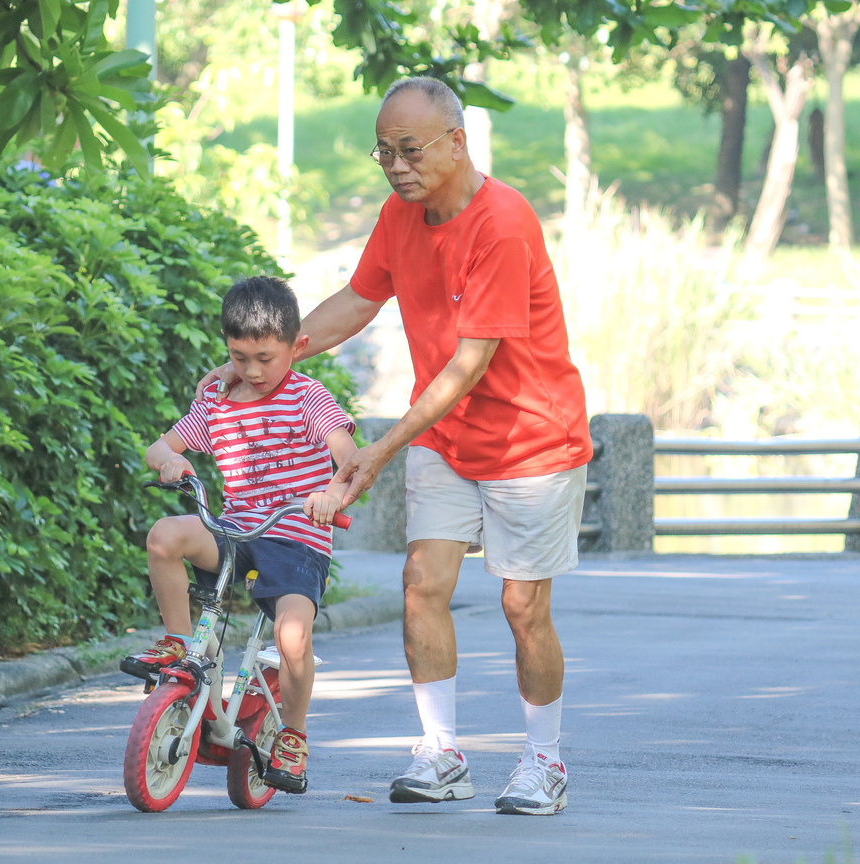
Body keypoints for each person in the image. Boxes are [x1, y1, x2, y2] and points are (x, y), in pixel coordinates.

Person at [198, 77, 592, 816]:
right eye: (383, 152)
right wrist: (271, 359)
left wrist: (374, 453)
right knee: (421, 587)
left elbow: (469, 367)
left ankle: (544, 760)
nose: (395, 165)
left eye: (407, 150)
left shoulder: (502, 224)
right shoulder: (399, 216)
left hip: (531, 441)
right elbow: (357, 299)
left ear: (455, 142)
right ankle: (441, 753)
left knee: (521, 607)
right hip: (446, 437)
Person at [122, 275, 358, 795]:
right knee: (165, 536)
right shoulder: (221, 400)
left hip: (296, 536)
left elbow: (348, 457)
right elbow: (161, 447)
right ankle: (182, 647)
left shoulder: (308, 398)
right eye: (239, 356)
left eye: (265, 359)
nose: (252, 371)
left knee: (292, 636)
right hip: (235, 530)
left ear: (297, 348)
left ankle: (292, 736)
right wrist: (172, 463)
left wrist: (333, 494)